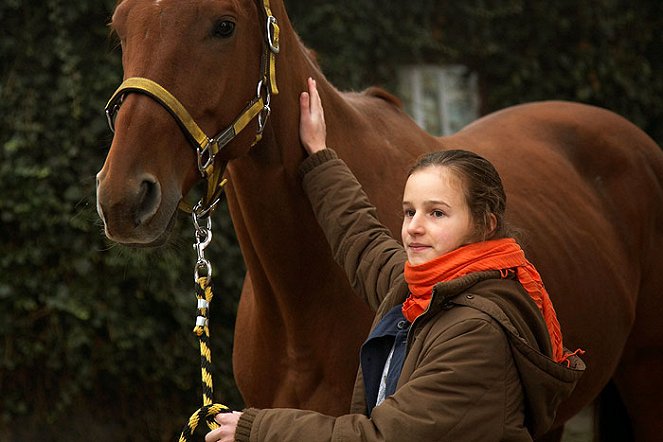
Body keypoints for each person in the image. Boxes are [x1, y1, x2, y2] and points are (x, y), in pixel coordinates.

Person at [206, 78, 585, 442]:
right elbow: (361, 239)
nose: (414, 228)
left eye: (436, 213)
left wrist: (256, 429)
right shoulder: (427, 290)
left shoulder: (476, 332)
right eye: (408, 212)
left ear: (485, 225)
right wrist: (319, 156)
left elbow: (383, 437)